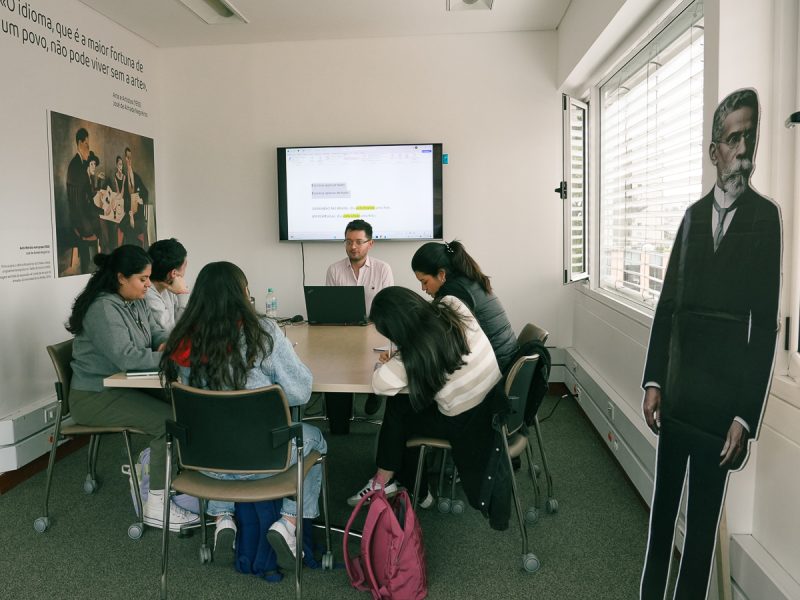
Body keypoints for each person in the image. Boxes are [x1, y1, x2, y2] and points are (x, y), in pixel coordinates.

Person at [639, 89, 781, 600]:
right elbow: (667, 306)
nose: (744, 147)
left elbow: (764, 327)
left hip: (722, 413)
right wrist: (653, 381)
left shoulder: (767, 219)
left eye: (750, 135)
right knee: (661, 526)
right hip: (676, 399)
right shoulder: (692, 217)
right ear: (714, 150)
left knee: (700, 534)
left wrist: (745, 415)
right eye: (734, 138)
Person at [161, 261, 326, 568]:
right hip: (265, 459)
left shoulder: (182, 338)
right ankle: (288, 522)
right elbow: (300, 393)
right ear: (243, 294)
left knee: (221, 434)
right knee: (317, 439)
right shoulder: (263, 332)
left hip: (206, 460)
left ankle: (224, 519)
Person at [66, 245, 200, 532]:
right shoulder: (102, 308)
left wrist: (168, 343)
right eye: (142, 279)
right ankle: (156, 505)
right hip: (94, 396)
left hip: (122, 386)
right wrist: (174, 357)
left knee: (186, 405)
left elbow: (155, 333)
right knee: (168, 423)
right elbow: (126, 357)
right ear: (120, 278)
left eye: (149, 278)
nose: (149, 284)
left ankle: (166, 475)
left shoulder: (134, 299)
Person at [347, 286, 502, 510]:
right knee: (403, 406)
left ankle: (390, 483)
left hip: (467, 423)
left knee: (399, 411)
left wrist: (389, 361)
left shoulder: (414, 352)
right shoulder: (452, 304)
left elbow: (379, 384)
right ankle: (407, 485)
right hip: (492, 403)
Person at [325, 219, 394, 426]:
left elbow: (388, 308)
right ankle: (339, 421)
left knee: (374, 354)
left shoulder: (383, 269)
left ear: (370, 244)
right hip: (343, 331)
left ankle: (374, 392)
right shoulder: (334, 270)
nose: (352, 247)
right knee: (334, 362)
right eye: (348, 242)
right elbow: (332, 308)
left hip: (376, 330)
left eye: (358, 241)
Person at [411, 240, 518, 372]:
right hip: (507, 359)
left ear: (441, 274)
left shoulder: (454, 292)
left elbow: (437, 337)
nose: (423, 288)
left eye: (424, 281)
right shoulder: (467, 280)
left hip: (498, 367)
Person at [65, 129, 96, 274]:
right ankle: (90, 266)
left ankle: (94, 264)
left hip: (81, 215)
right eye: (86, 145)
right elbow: (79, 203)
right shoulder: (76, 166)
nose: (88, 149)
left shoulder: (80, 164)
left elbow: (86, 194)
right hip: (79, 220)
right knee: (102, 225)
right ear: (79, 143)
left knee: (100, 219)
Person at [145, 238, 189, 332]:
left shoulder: (169, 287)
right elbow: (172, 332)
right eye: (185, 265)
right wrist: (182, 293)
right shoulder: (148, 295)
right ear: (173, 273)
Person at [119, 146, 149, 247]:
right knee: (123, 225)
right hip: (128, 213)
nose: (129, 160)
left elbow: (145, 192)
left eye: (130, 157)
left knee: (134, 227)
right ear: (125, 158)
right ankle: (135, 245)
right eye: (127, 157)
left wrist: (141, 199)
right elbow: (122, 196)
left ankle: (133, 246)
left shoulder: (136, 177)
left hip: (138, 214)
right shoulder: (124, 178)